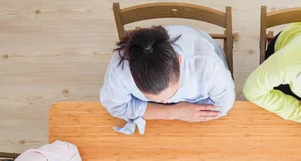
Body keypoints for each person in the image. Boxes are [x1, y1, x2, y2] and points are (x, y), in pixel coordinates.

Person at [100, 25, 235, 135]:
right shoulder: (119, 70)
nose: (165, 103)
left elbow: (222, 106)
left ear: (179, 61)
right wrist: (174, 112)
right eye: (155, 99)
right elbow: (115, 106)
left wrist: (149, 109)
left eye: (170, 95)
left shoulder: (208, 66)